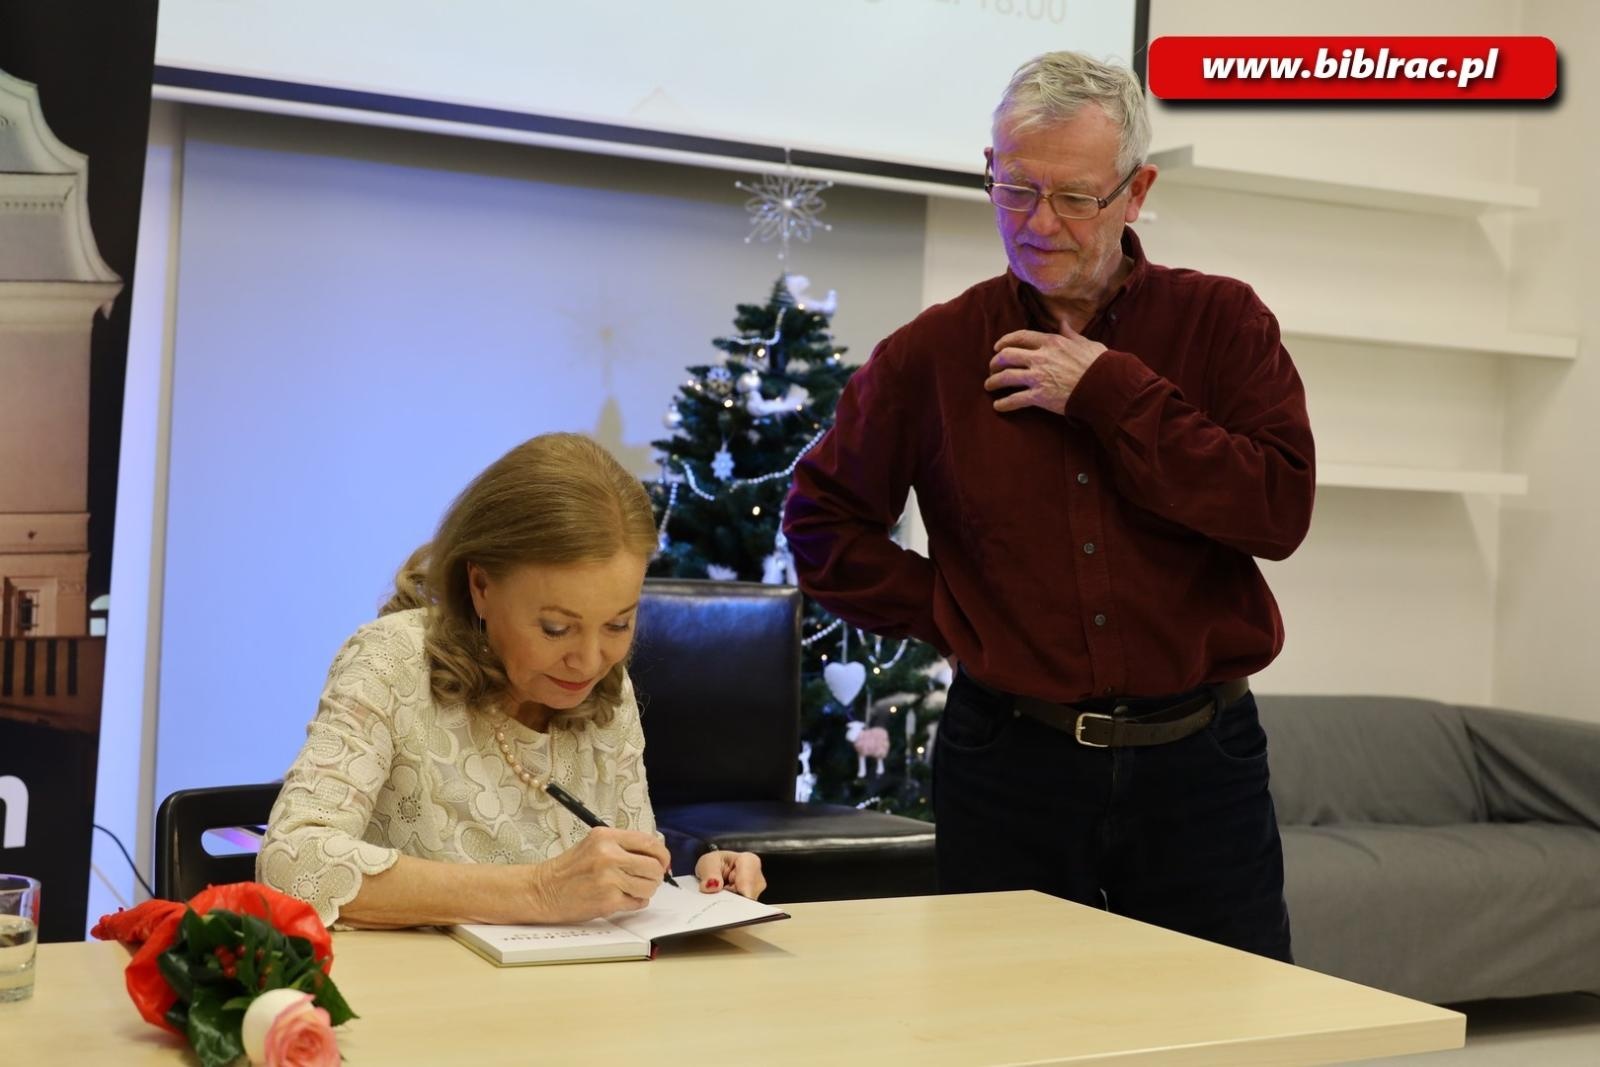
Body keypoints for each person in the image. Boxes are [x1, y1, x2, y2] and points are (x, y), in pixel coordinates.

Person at [783, 51, 1313, 961]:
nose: (1037, 223)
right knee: (1005, 1029)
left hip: (1201, 760)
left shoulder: (1224, 325)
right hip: (1009, 760)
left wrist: (1113, 393)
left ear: (1136, 191)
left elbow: (1276, 510)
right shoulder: (935, 351)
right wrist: (953, 614)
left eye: (1074, 197)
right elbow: (821, 521)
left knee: (1232, 1025)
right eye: (1013, 188)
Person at [259, 433, 766, 928]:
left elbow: (620, 876)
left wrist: (685, 878)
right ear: (481, 586)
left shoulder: (608, 691)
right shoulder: (391, 662)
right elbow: (291, 863)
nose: (589, 661)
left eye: (618, 624)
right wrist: (540, 892)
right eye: (556, 628)